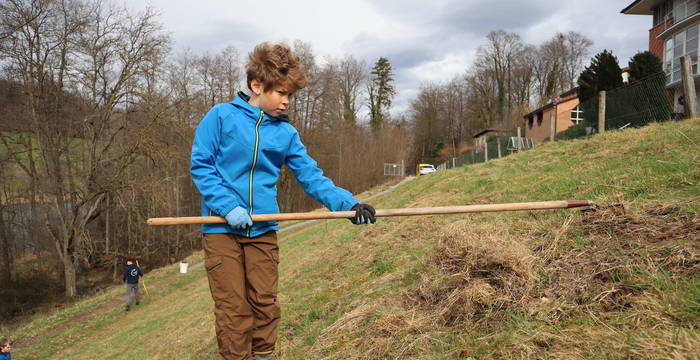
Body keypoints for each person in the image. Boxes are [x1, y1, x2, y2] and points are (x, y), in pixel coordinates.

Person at [190, 42, 376, 360]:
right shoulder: (220, 117)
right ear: (257, 86)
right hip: (221, 230)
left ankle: (264, 356)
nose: (287, 102)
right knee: (234, 308)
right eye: (281, 93)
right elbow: (202, 166)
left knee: (264, 302)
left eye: (291, 95)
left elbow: (312, 177)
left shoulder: (286, 134)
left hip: (262, 231)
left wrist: (349, 204)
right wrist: (228, 207)